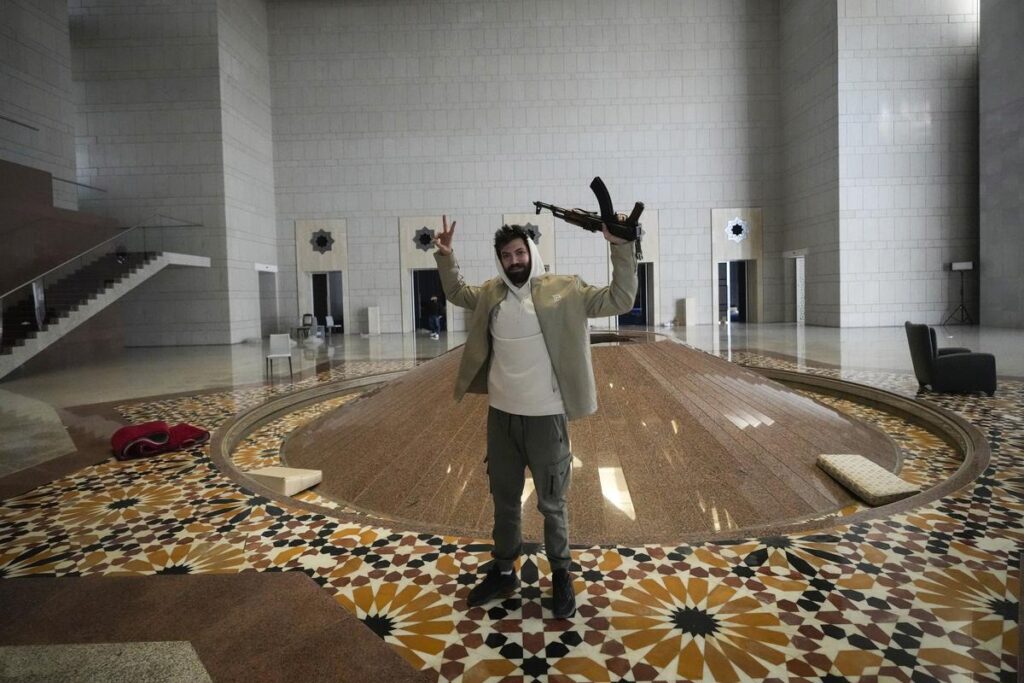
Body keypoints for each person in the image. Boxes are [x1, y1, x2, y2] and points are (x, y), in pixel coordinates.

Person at [433, 214, 637, 619]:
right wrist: (445, 256)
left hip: (546, 417)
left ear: (532, 253)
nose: (514, 260)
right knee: (504, 500)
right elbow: (456, 291)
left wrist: (620, 246)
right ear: (500, 260)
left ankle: (561, 574)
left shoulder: (565, 289)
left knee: (552, 503)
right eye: (506, 255)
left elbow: (620, 299)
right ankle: (504, 569)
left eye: (520, 252)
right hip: (502, 416)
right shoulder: (491, 293)